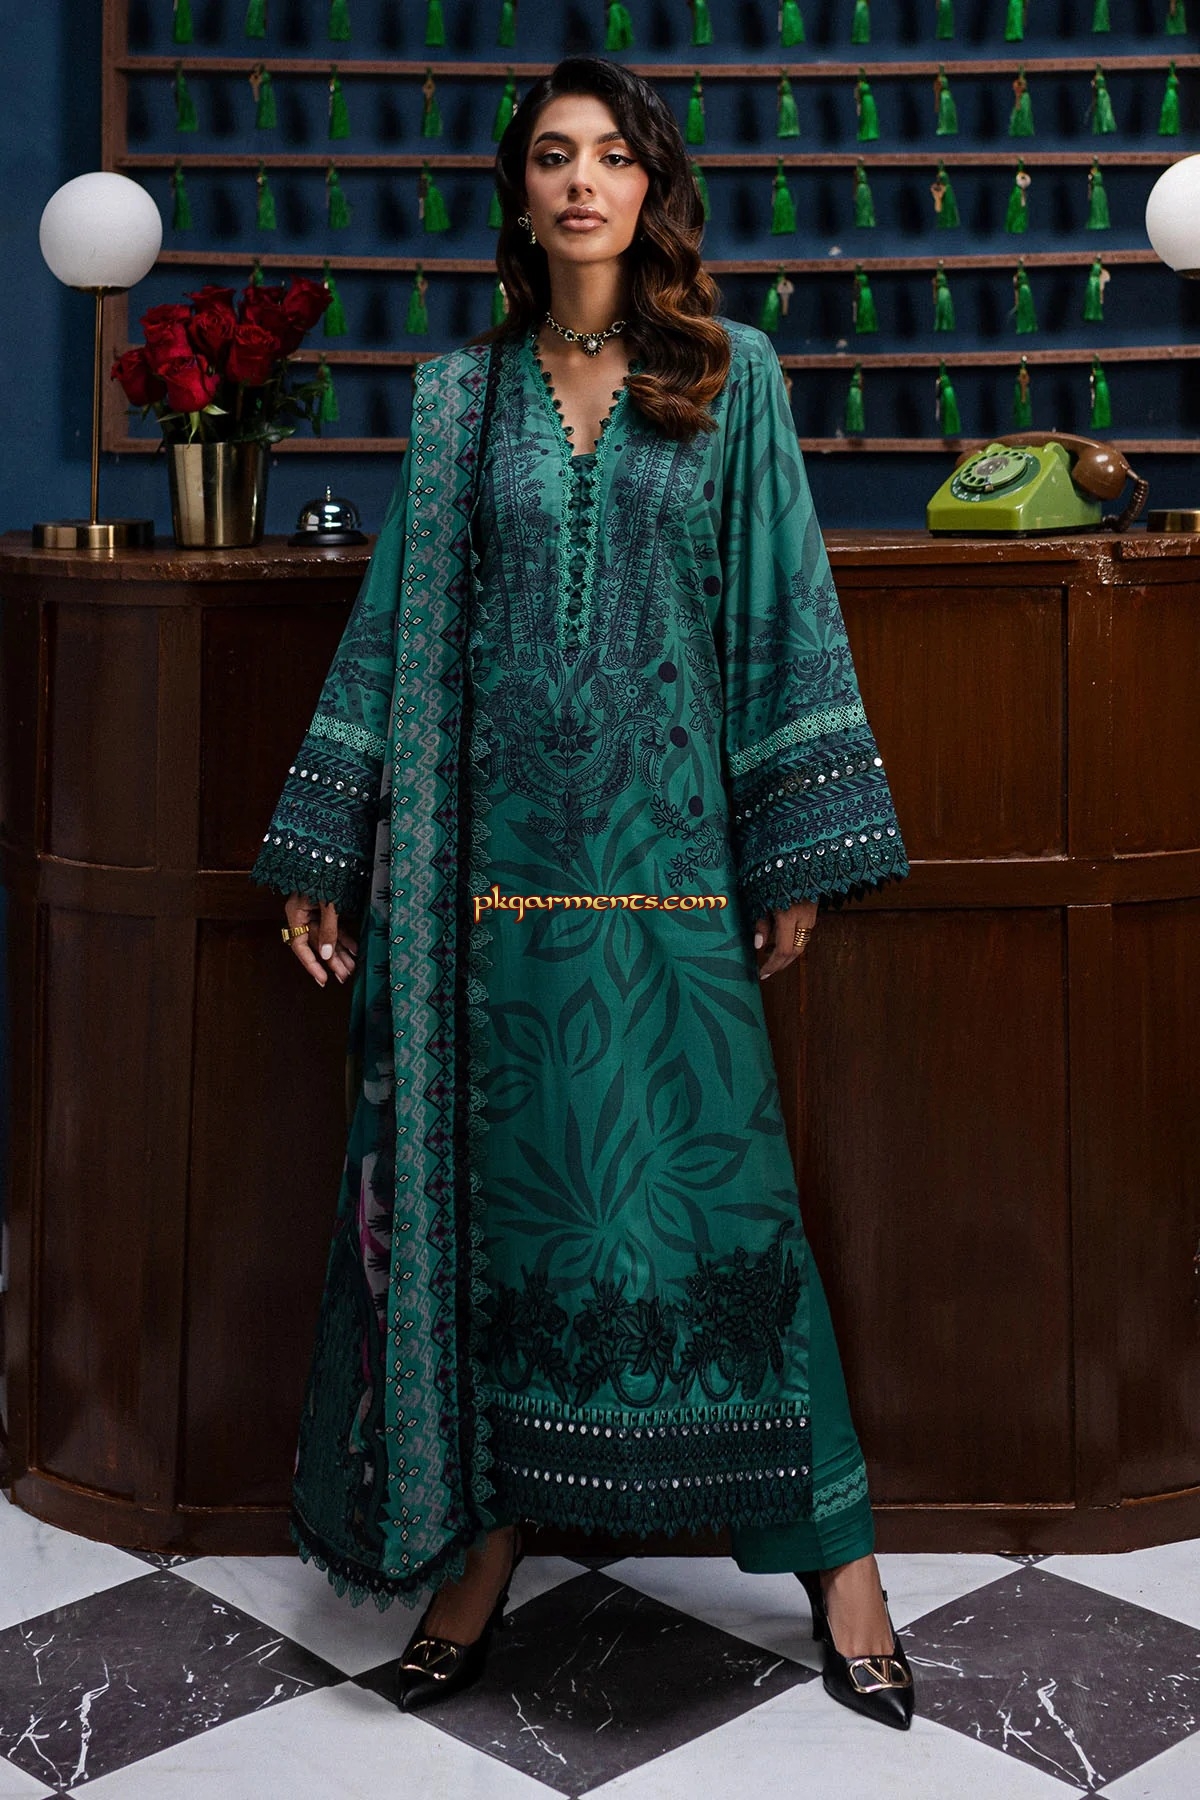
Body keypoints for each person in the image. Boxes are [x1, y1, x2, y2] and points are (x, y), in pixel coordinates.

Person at [252, 55, 914, 1734]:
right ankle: (479, 1555)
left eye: (612, 156)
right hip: (487, 893)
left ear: (650, 187)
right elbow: (395, 624)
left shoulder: (729, 377)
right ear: (520, 193)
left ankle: (842, 1566)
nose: (582, 182)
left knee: (729, 1208)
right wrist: (325, 846)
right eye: (553, 156)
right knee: (499, 1215)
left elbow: (782, 602)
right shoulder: (458, 399)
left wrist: (790, 851)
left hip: (670, 871)